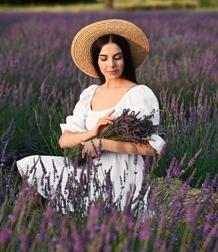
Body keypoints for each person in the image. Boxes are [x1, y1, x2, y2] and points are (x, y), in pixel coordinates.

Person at [16, 19, 165, 212]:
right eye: (103, 58)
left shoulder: (140, 94)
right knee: (33, 164)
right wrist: (92, 133)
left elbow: (151, 148)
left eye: (117, 57)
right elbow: (65, 141)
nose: (111, 64)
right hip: (87, 168)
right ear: (96, 61)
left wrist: (103, 143)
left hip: (120, 174)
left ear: (125, 59)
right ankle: (20, 224)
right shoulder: (90, 93)